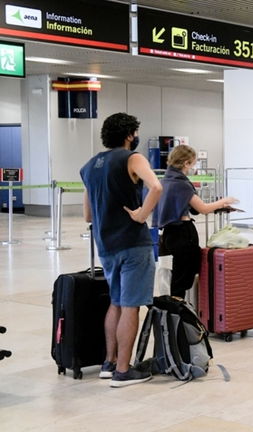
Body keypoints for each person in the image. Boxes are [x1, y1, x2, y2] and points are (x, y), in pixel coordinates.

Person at [80, 113, 161, 387]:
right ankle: (124, 371)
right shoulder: (132, 159)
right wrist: (141, 214)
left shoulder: (89, 167)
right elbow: (157, 187)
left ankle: (109, 362)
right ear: (129, 135)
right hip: (133, 243)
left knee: (115, 302)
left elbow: (88, 215)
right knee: (131, 305)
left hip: (106, 245)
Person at [155, 145, 237, 299]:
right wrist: (223, 201)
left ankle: (174, 312)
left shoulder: (165, 181)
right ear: (186, 163)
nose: (194, 167)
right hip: (183, 234)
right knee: (183, 278)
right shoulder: (181, 184)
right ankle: (180, 314)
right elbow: (203, 208)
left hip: (167, 236)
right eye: (193, 163)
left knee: (172, 277)